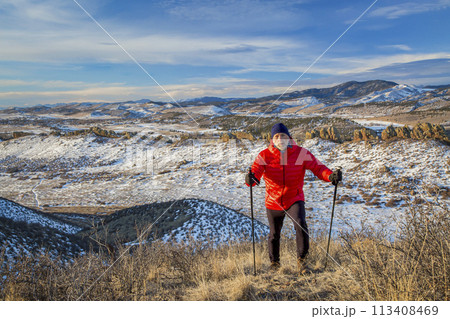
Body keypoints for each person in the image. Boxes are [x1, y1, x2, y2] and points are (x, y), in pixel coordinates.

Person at [245, 123, 342, 273]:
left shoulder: (301, 153)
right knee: (274, 234)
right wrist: (251, 179)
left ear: (289, 137)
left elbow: (318, 168)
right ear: (272, 139)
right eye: (276, 136)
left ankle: (302, 262)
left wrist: (330, 176)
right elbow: (256, 172)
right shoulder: (264, 155)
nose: (280, 139)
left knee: (301, 225)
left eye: (283, 136)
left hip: (294, 198)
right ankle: (275, 264)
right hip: (273, 200)